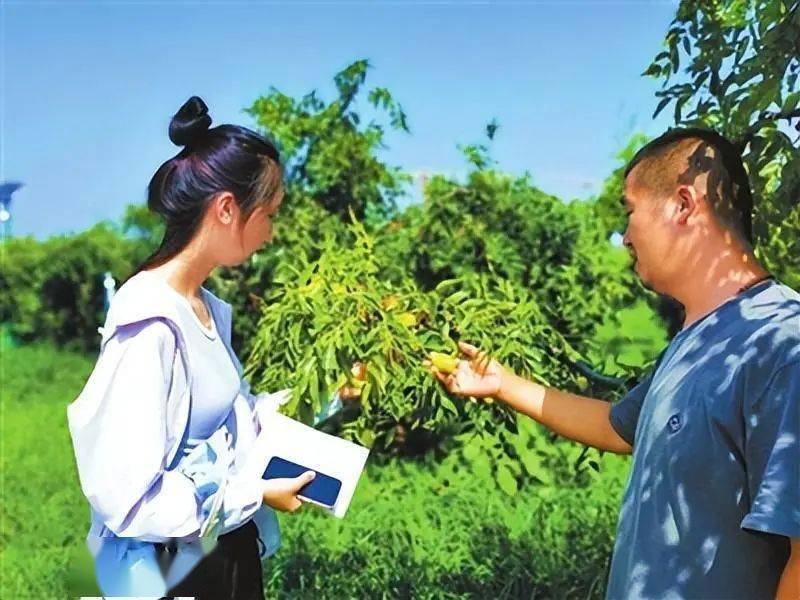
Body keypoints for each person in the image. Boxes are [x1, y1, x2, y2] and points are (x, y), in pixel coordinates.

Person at [429, 128, 799, 599]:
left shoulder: (780, 342)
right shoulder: (698, 340)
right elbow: (616, 426)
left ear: (683, 205)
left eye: (630, 211)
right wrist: (501, 382)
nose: (625, 236)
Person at [67, 96, 356, 599]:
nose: (270, 233)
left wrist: (332, 396)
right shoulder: (151, 325)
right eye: (269, 214)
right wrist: (255, 494)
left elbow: (238, 423)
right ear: (226, 209)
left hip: (221, 552)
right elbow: (128, 499)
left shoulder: (205, 309)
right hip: (170, 570)